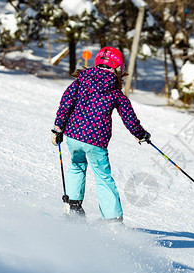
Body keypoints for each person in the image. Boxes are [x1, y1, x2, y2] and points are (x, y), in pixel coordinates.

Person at [51, 46, 151, 222]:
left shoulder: (81, 81)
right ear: (118, 67)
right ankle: (112, 220)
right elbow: (128, 116)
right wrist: (140, 134)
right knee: (103, 177)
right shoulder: (114, 91)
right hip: (96, 141)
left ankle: (73, 209)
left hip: (73, 136)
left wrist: (58, 128)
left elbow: (66, 102)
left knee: (76, 166)